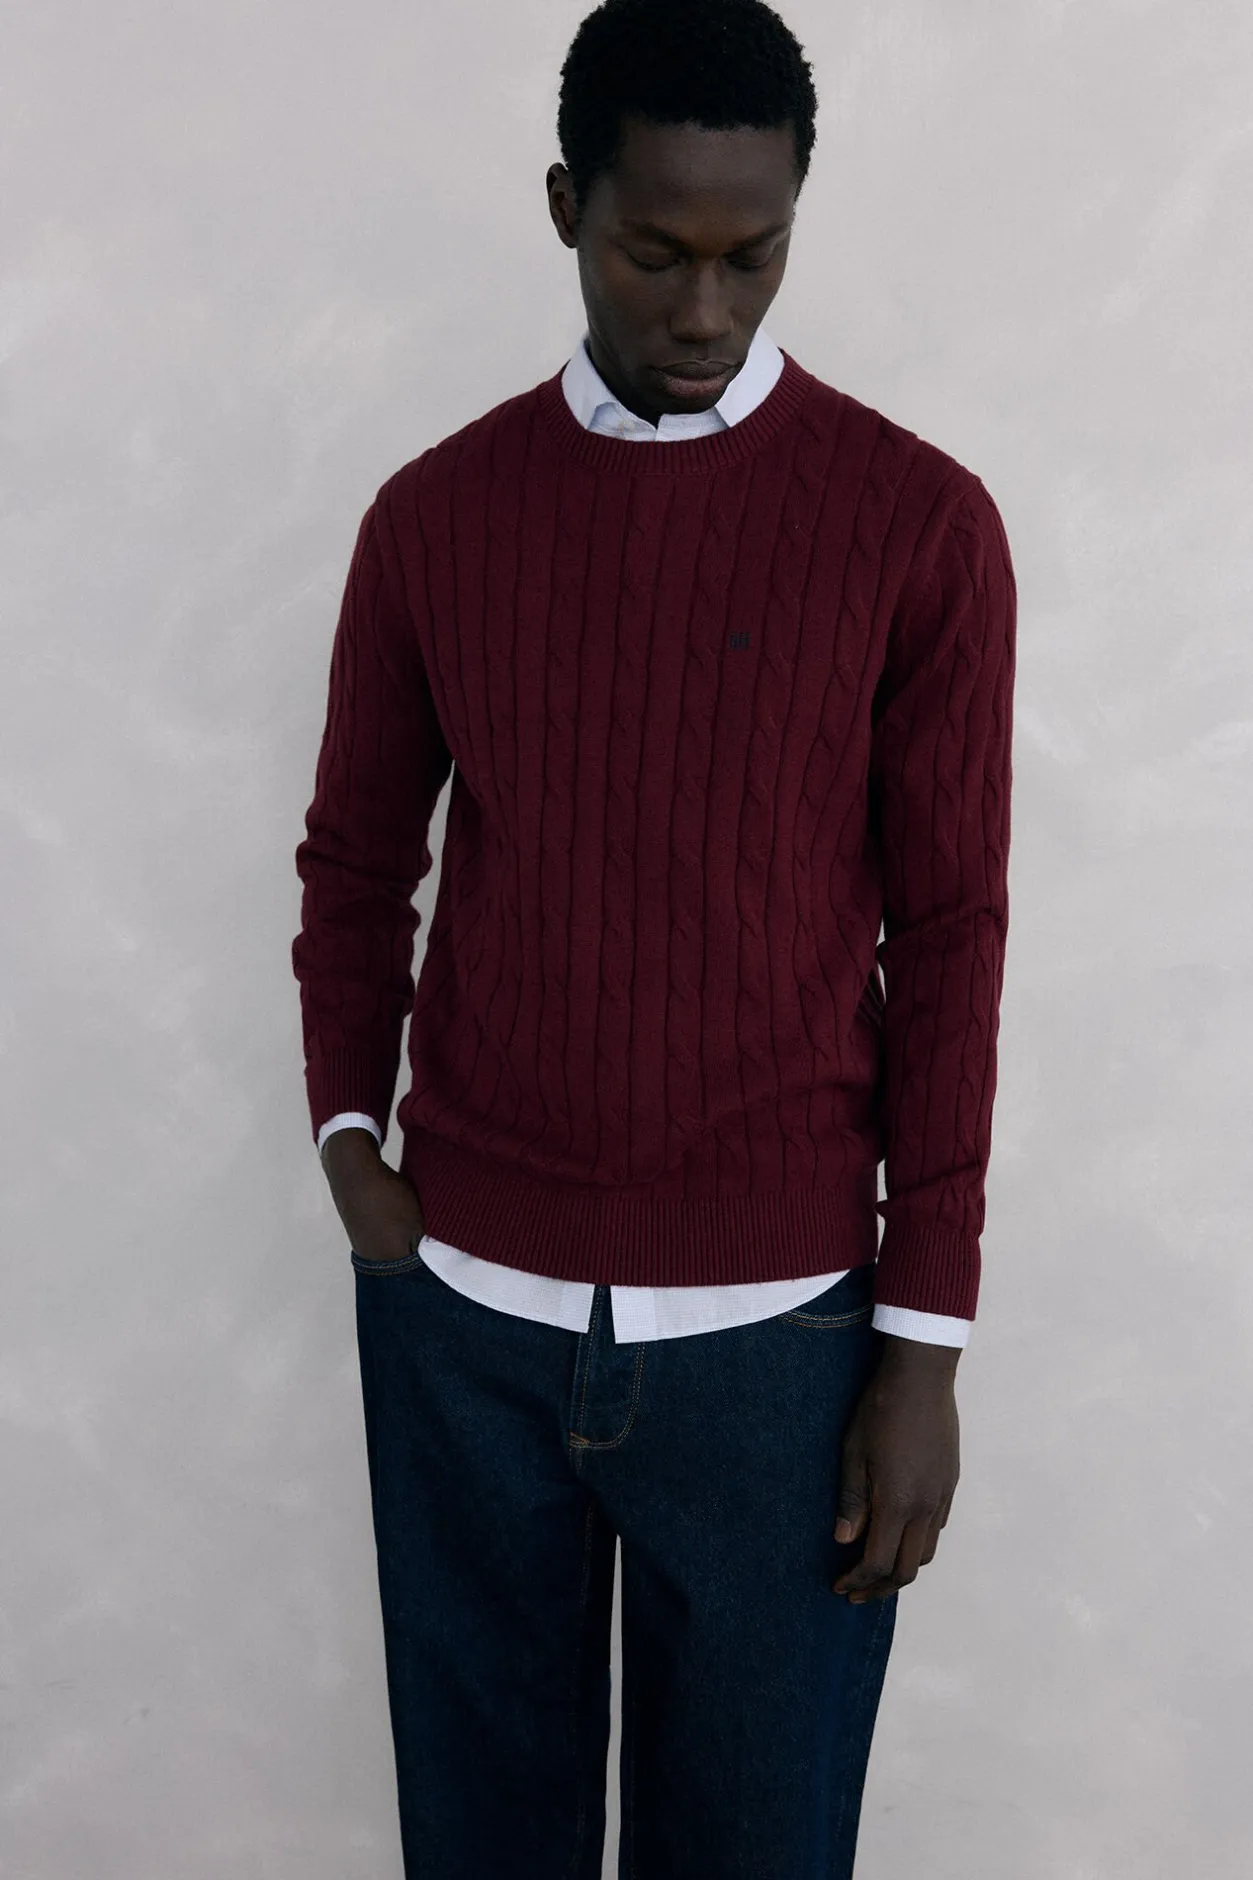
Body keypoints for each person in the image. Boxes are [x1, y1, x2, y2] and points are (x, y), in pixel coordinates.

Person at [291, 1, 1017, 1873]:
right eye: (654, 252)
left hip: (783, 1343)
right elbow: (359, 862)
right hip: (468, 1325)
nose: (704, 310)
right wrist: (352, 1140)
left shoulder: (918, 527)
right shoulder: (434, 521)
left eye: (752, 256)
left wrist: (923, 1338)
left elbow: (951, 932)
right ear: (566, 207)